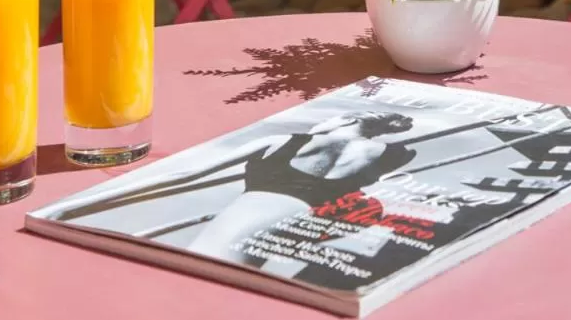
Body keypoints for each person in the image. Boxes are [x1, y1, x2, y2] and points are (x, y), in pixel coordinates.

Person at [43, 110, 416, 271]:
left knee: (207, 269)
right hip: (308, 224)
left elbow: (186, 173)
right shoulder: (389, 154)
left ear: (349, 118)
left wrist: (84, 203)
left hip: (250, 214)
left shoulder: (283, 140)